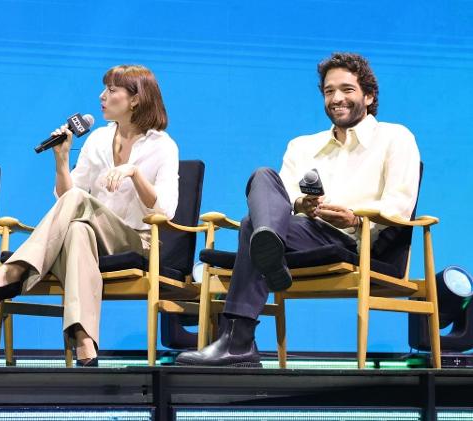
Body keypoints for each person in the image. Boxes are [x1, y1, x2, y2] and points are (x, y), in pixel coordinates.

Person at [176, 52, 421, 367]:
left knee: (254, 224)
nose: (336, 98)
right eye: (329, 91)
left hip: (352, 241)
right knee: (263, 176)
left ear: (368, 95)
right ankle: (269, 259)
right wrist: (300, 203)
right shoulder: (302, 145)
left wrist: (356, 217)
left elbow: (400, 202)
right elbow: (282, 194)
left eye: (347, 89)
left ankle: (238, 341)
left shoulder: (395, 137)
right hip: (303, 230)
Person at [0, 64, 179, 366]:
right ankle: (84, 343)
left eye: (111, 90)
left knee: (80, 208)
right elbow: (68, 199)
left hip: (140, 241)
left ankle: (12, 272)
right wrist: (62, 160)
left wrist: (134, 173)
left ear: (135, 99)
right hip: (96, 236)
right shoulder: (98, 140)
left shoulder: (163, 146)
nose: (101, 96)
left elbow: (165, 211)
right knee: (78, 229)